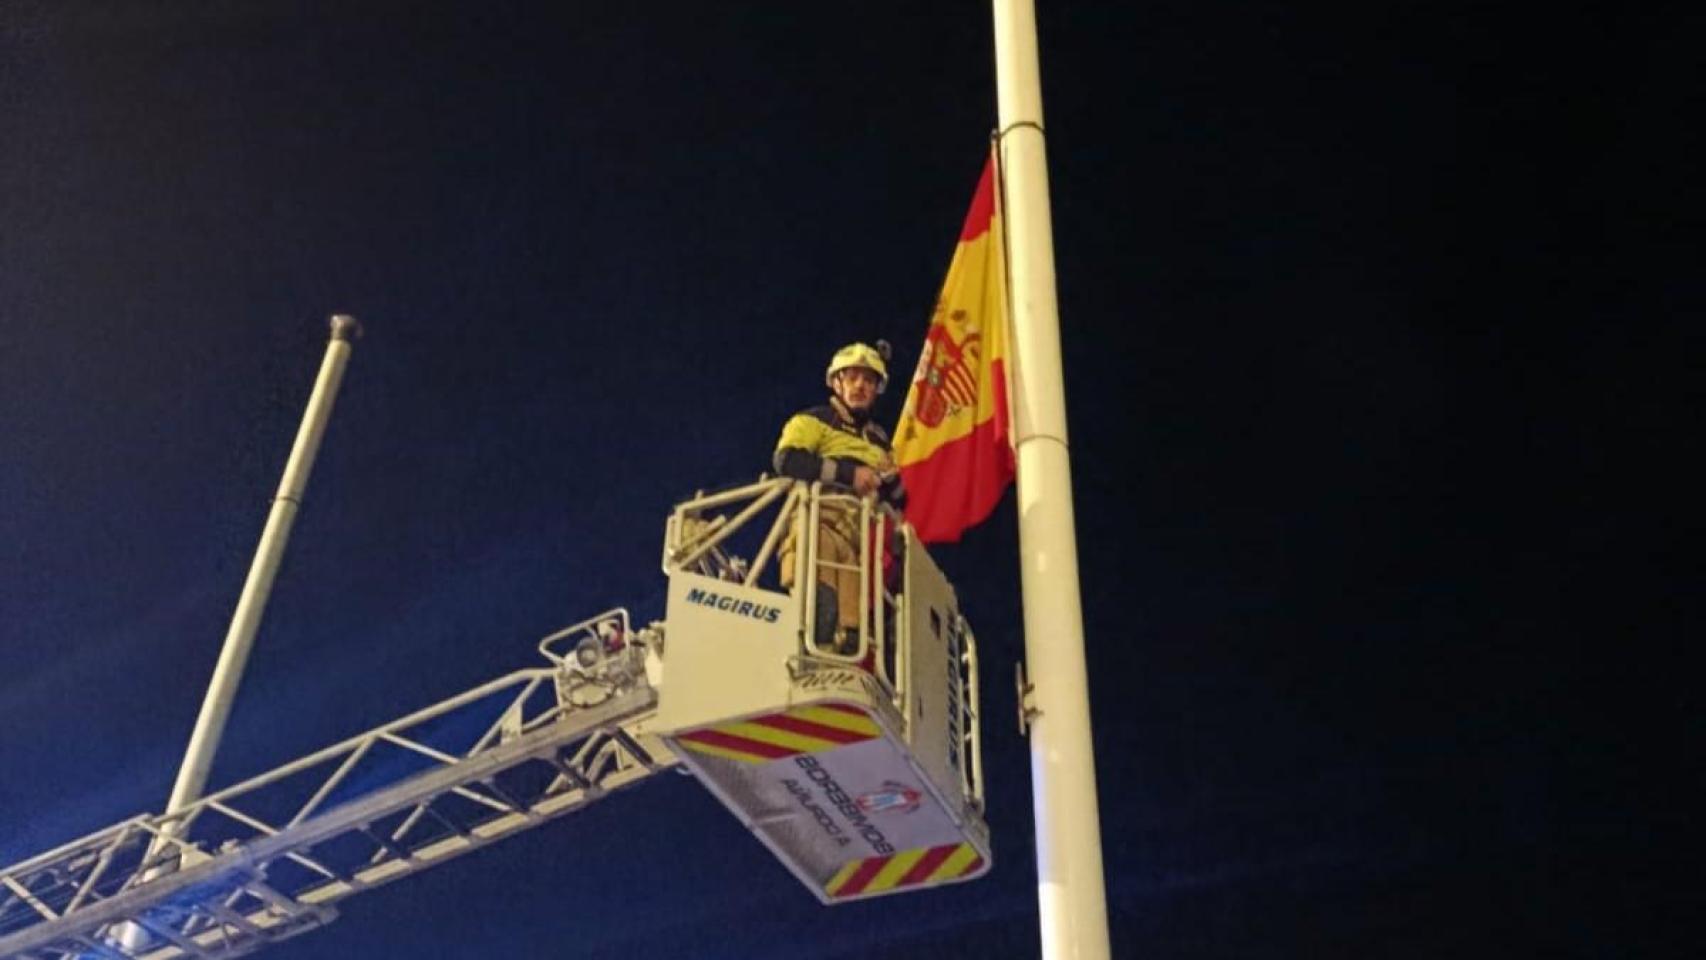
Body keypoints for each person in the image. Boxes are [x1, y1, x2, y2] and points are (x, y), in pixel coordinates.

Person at [773, 341, 906, 654]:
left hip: (857, 544)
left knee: (851, 638)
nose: (860, 386)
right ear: (837, 382)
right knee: (821, 612)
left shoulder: (879, 441)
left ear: (877, 390)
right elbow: (787, 460)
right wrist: (850, 474)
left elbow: (899, 500)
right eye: (853, 377)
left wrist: (893, 480)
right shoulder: (815, 420)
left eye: (869, 380)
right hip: (819, 522)